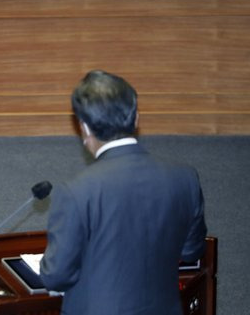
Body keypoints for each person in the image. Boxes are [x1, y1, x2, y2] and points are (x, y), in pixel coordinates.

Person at [40, 70, 207, 315]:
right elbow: (192, 250)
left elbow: (56, 277)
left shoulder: (76, 191)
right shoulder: (185, 178)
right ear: (136, 118)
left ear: (84, 127)